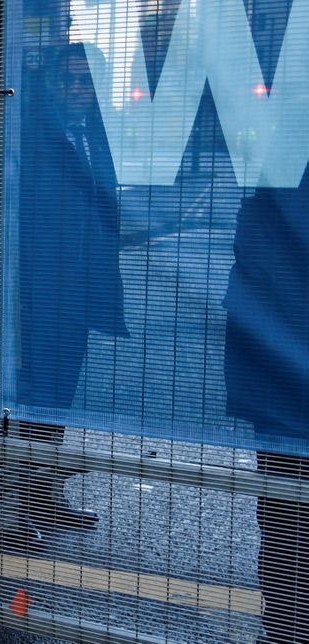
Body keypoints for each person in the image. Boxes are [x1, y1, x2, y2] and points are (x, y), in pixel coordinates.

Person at [12, 42, 128, 543]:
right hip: (38, 292)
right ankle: (19, 509)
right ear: (51, 84)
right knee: (33, 399)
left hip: (78, 289)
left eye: (88, 82)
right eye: (70, 80)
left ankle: (42, 500)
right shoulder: (31, 134)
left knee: (56, 400)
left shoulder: (95, 134)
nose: (80, 90)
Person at [224, 169, 309, 642]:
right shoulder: (282, 176)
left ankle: (282, 624)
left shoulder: (277, 177)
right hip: (282, 382)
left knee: (284, 510)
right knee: (286, 510)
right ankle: (283, 623)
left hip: (277, 380)